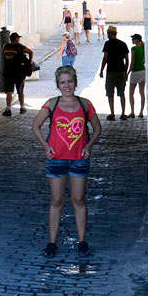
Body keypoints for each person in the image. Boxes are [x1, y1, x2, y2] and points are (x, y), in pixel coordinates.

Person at [32, 65, 101, 259]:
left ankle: (82, 242)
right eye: (62, 82)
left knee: (79, 200)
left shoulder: (85, 104)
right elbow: (35, 126)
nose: (67, 85)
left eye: (69, 81)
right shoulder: (51, 104)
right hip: (56, 159)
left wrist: (88, 146)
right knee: (56, 200)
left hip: (79, 159)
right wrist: (46, 147)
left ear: (75, 82)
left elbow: (97, 128)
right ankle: (52, 242)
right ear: (58, 85)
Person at [99, 23, 130, 120]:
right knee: (122, 93)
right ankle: (123, 113)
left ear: (111, 33)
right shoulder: (123, 44)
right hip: (121, 71)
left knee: (110, 93)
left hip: (111, 71)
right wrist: (126, 71)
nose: (107, 35)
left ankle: (112, 113)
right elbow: (127, 60)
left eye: (108, 33)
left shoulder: (108, 44)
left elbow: (105, 57)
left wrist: (101, 70)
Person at [1, 31, 33, 116]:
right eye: (18, 38)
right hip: (19, 72)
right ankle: (22, 108)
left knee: (9, 91)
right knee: (20, 91)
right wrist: (29, 62)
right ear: (15, 39)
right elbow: (30, 52)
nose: (19, 39)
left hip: (8, 72)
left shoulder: (5, 46)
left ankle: (8, 109)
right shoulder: (20, 47)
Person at [128, 33, 146, 117]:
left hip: (135, 71)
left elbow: (132, 62)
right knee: (142, 92)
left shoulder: (134, 48)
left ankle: (132, 112)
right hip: (143, 70)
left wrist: (128, 72)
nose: (132, 40)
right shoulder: (143, 47)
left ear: (137, 40)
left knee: (131, 93)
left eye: (133, 39)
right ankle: (141, 112)